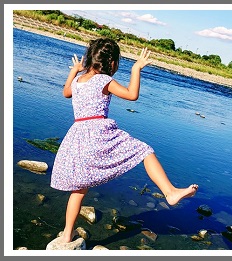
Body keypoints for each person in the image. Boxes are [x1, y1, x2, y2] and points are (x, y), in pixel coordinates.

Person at [50, 38, 198, 243]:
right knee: (144, 151)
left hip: (77, 136)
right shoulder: (103, 81)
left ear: (90, 57)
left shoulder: (77, 81)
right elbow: (132, 95)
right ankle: (170, 192)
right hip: (98, 133)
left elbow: (66, 93)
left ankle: (67, 235)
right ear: (112, 63)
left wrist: (74, 70)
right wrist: (136, 68)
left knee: (79, 189)